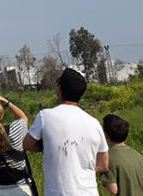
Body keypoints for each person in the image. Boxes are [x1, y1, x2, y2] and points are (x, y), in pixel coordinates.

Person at [23, 67, 109, 196]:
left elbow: (27, 144)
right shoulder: (94, 123)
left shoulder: (45, 116)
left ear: (59, 90)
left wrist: (48, 146)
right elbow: (104, 164)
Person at [0, 88, 36, 196]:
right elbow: (23, 117)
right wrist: (4, 101)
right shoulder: (17, 129)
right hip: (21, 188)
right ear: (1, 113)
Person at [99, 114, 143, 195]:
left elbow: (113, 190)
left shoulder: (108, 158)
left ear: (105, 135)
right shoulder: (137, 155)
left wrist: (105, 183)